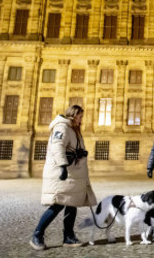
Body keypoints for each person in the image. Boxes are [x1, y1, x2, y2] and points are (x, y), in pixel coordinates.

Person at [30, 105, 97, 250]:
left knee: (72, 204)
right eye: (80, 117)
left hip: (72, 173)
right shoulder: (62, 127)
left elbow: (70, 148)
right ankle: (37, 234)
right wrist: (62, 166)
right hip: (63, 173)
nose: (81, 120)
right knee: (57, 204)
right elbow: (57, 146)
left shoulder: (73, 129)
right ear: (74, 115)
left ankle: (68, 236)